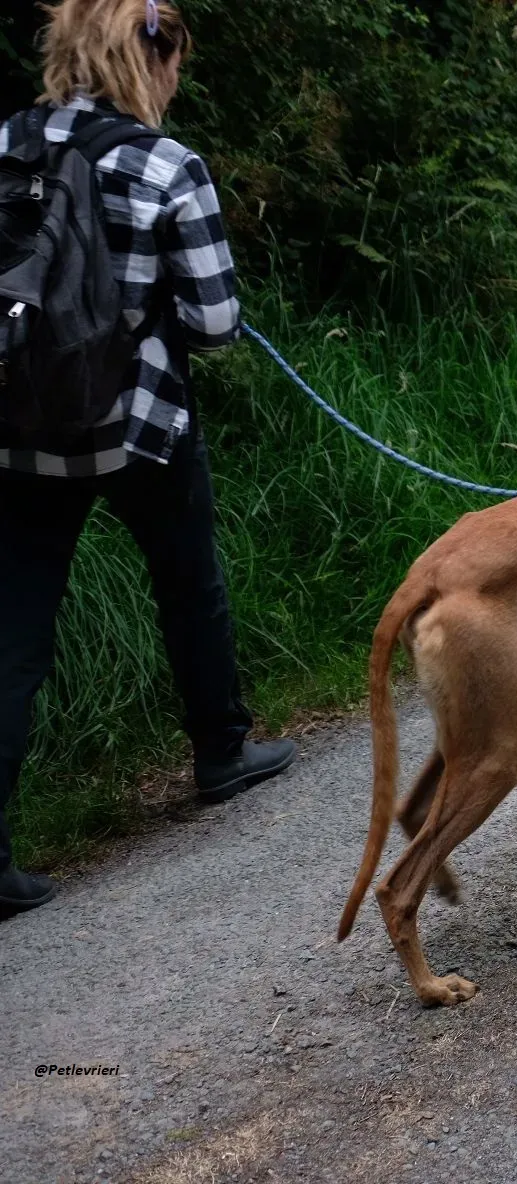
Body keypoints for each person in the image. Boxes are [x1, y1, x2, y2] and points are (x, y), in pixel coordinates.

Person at [0, 0, 294, 915]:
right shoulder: (166, 163)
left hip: (21, 428)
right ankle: (221, 750)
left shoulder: (8, 141)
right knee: (188, 579)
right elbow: (213, 325)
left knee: (13, 628)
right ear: (150, 60)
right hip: (140, 425)